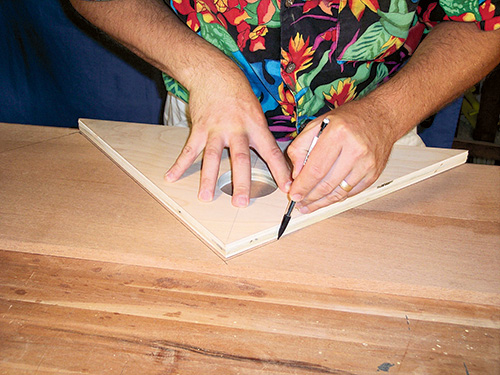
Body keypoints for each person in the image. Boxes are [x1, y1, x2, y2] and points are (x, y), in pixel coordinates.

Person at [69, 0, 500, 214]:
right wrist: (201, 69)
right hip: (204, 117)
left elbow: (484, 16)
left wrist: (385, 116)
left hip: (377, 128)